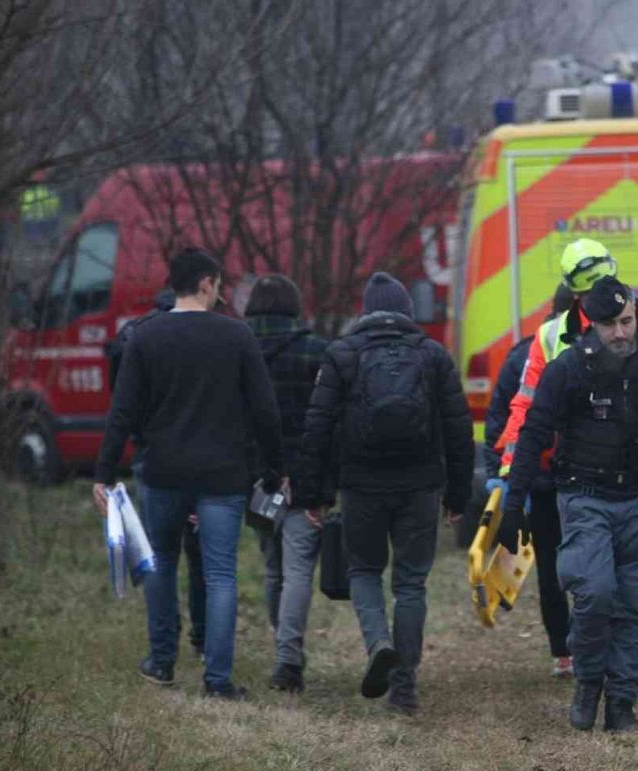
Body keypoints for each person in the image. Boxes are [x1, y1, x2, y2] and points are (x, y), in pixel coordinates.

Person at [496, 276, 638, 732]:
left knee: (634, 604)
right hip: (585, 496)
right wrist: (512, 503)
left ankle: (621, 705)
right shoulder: (567, 371)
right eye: (611, 324)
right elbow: (533, 435)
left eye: (627, 322)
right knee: (594, 595)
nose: (621, 333)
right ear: (591, 324)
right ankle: (587, 683)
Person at [93, 247, 284, 700]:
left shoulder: (145, 337)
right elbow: (265, 411)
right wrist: (276, 471)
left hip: (162, 471)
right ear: (205, 283)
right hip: (223, 475)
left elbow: (122, 412)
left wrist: (102, 473)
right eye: (217, 284)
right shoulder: (236, 337)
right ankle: (217, 680)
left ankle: (161, 662)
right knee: (220, 574)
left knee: (160, 562)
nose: (219, 292)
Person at [298, 272, 473, 714]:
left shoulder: (342, 355)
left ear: (364, 311)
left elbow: (317, 426)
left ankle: (378, 642)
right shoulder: (433, 355)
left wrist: (312, 493)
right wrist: (458, 495)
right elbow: (458, 429)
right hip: (420, 485)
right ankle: (404, 685)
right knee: (411, 582)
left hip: (361, 484)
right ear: (407, 312)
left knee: (364, 572)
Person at [107, 287, 207, 658]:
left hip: (151, 457)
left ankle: (164, 647)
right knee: (200, 554)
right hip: (199, 458)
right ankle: (203, 636)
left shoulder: (134, 335)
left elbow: (119, 401)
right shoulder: (203, 334)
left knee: (160, 554)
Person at [483, 284, 577, 678]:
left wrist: (504, 476)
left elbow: (497, 425)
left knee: (553, 570)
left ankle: (563, 653)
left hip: (537, 483)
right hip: (581, 479)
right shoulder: (590, 354)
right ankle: (592, 646)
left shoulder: (522, 354)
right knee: (594, 564)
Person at [244, 274, 330, 693]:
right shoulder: (316, 350)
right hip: (303, 478)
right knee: (298, 570)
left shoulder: (238, 349)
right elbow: (326, 421)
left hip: (257, 480)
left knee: (273, 568)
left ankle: (284, 649)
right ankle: (287, 660)